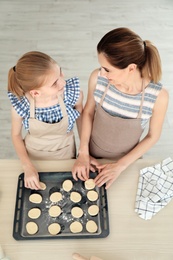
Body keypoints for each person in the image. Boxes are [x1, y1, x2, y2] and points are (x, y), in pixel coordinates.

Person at [72, 27, 169, 189]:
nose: (101, 73)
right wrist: (83, 152)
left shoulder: (158, 96)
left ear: (131, 68)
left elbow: (153, 136)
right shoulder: (98, 79)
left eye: (107, 69)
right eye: (101, 67)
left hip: (127, 164)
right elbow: (88, 113)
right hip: (91, 157)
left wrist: (121, 166)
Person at [8, 51, 83, 190]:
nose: (63, 82)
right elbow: (16, 135)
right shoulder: (21, 105)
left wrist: (84, 152)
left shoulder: (71, 94)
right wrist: (27, 166)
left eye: (60, 72)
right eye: (55, 83)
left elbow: (81, 120)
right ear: (35, 93)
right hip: (35, 159)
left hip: (66, 153)